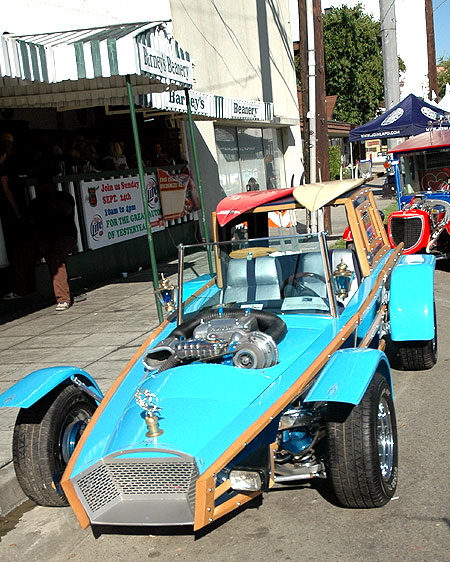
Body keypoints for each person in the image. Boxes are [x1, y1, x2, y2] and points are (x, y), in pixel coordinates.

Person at [30, 178, 78, 311]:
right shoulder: (36, 203)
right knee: (21, 252)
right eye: (42, 186)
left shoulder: (64, 198)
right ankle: (22, 291)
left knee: (56, 258)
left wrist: (52, 199)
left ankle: (63, 298)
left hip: (64, 238)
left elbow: (67, 211)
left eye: (47, 186)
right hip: (44, 240)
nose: (45, 188)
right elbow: (32, 225)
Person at [0, 134, 35, 299]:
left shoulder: (10, 164)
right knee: (15, 250)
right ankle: (19, 286)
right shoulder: (6, 167)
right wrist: (16, 210)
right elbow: (5, 188)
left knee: (17, 250)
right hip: (9, 213)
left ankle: (21, 286)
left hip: (12, 214)